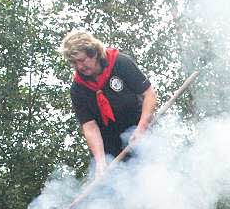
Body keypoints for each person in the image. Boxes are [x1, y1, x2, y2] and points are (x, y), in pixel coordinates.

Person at [60, 30, 158, 178]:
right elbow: (90, 127)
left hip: (140, 134)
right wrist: (100, 161)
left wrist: (142, 128)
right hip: (110, 148)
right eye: (74, 63)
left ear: (93, 53)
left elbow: (149, 95)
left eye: (82, 60)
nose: (79, 66)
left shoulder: (120, 63)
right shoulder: (78, 89)